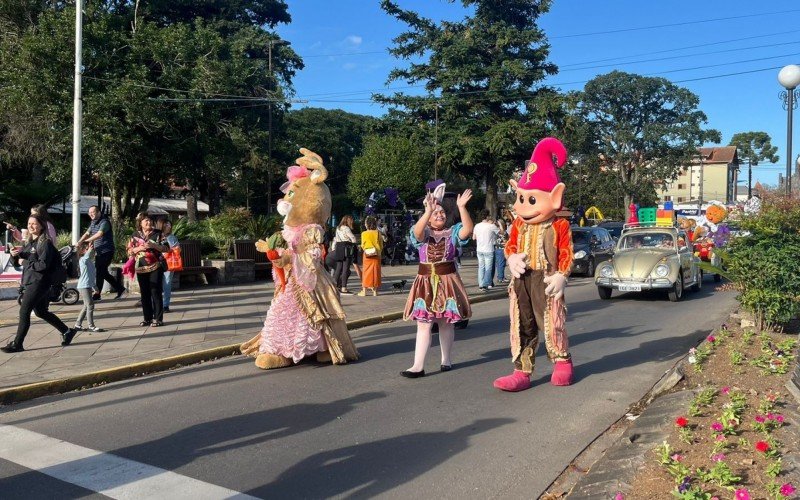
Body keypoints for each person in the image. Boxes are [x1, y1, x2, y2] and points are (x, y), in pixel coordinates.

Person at [494, 137, 574, 392]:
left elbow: (566, 252)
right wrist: (511, 258)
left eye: (531, 200)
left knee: (551, 321)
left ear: (555, 197)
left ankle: (562, 362)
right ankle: (521, 370)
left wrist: (562, 275)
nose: (523, 206)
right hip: (521, 280)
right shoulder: (518, 224)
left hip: (547, 280)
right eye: (521, 198)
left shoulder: (559, 223)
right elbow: (511, 245)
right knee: (522, 323)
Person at [401, 185, 474, 378]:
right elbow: (417, 233)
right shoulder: (423, 232)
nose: (440, 215)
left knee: (445, 322)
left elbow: (467, 230)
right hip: (425, 282)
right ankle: (417, 365)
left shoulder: (452, 232)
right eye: (436, 213)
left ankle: (446, 359)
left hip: (448, 281)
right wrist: (427, 211)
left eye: (442, 212)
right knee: (424, 323)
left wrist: (462, 207)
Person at [2, 215, 76, 353]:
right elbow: (17, 262)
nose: (31, 226)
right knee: (41, 311)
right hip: (31, 280)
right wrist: (14, 255)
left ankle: (17, 344)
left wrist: (24, 262)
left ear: (42, 225)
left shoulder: (45, 243)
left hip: (40, 282)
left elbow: (43, 265)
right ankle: (67, 331)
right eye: (29, 223)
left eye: (34, 224)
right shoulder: (30, 242)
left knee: (24, 311)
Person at [128, 212, 168, 327]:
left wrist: (154, 246)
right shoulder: (135, 235)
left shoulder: (158, 234)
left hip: (156, 266)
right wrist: (139, 248)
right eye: (146, 220)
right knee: (144, 294)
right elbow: (129, 250)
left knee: (155, 291)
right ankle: (147, 319)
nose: (149, 222)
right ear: (140, 223)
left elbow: (167, 248)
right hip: (141, 267)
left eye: (150, 220)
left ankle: (158, 319)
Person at [77, 205, 125, 301]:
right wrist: (79, 241)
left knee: (100, 272)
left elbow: (99, 234)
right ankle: (120, 288)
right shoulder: (93, 222)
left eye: (93, 212)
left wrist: (86, 241)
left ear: (99, 212)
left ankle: (97, 294)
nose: (91, 214)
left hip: (107, 251)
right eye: (89, 213)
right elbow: (87, 233)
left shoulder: (104, 222)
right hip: (99, 251)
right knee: (103, 272)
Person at [74, 241, 104, 333]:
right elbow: (87, 256)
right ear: (83, 251)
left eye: (91, 249)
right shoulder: (83, 260)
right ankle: (91, 326)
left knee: (86, 306)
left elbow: (90, 276)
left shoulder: (90, 261)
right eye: (87, 249)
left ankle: (77, 324)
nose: (91, 251)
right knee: (90, 305)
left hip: (87, 285)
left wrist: (95, 287)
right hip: (83, 286)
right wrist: (90, 248)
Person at [331, 215, 357, 294]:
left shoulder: (338, 228)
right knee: (345, 268)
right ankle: (343, 287)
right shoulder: (346, 228)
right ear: (348, 220)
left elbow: (336, 238)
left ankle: (334, 286)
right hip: (346, 248)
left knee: (338, 268)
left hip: (339, 247)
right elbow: (353, 239)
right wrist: (354, 243)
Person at [473, 210, 498, 291]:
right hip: (489, 249)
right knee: (488, 268)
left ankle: (480, 284)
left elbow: (474, 237)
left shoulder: (477, 226)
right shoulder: (491, 226)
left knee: (481, 267)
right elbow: (501, 232)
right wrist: (499, 224)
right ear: (487, 216)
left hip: (479, 249)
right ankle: (485, 285)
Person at [158, 218, 180, 313]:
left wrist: (176, 249)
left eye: (170, 225)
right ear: (161, 225)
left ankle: (165, 305)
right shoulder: (156, 236)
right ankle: (155, 303)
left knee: (167, 284)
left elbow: (178, 249)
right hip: (156, 263)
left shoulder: (172, 237)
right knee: (156, 284)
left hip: (169, 263)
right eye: (166, 225)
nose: (169, 226)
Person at [358, 216, 383, 296]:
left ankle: (364, 290)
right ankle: (375, 291)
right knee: (376, 272)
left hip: (367, 254)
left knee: (366, 272)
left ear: (367, 224)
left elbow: (363, 245)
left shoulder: (364, 233)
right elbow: (381, 244)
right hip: (376, 254)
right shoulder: (378, 233)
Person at [494, 218, 509, 284]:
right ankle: (501, 278)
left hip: (498, 249)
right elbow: (505, 241)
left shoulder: (499, 232)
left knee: (500, 264)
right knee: (501, 264)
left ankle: (501, 277)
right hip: (501, 249)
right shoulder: (503, 233)